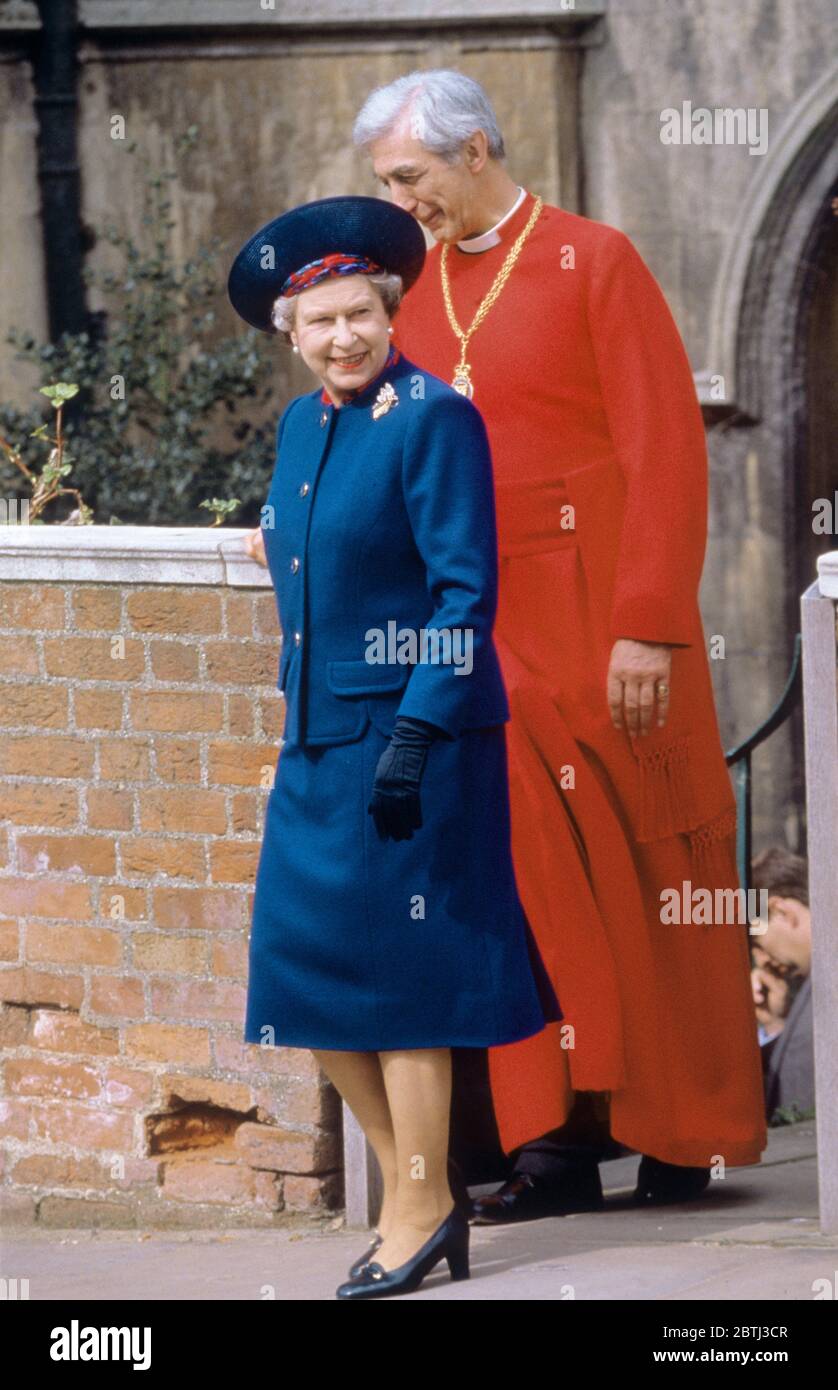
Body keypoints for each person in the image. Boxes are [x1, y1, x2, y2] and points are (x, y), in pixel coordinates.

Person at [350, 68, 768, 1217]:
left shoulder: (600, 257)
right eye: (387, 182)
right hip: (486, 628)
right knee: (522, 878)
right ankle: (554, 1144)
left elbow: (665, 449)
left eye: (409, 177)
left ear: (474, 147)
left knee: (656, 873)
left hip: (610, 622)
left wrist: (646, 626)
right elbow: (387, 461)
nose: (399, 200)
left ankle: (688, 1132)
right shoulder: (412, 293)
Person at [227, 194, 562, 1298]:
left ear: (389, 305)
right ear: (291, 331)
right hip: (321, 738)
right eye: (318, 321)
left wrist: (415, 737)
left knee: (409, 983)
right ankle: (426, 1189)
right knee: (304, 977)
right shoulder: (299, 428)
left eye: (359, 314)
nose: (341, 337)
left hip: (416, 742)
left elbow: (465, 593)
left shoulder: (431, 416)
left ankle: (418, 1203)